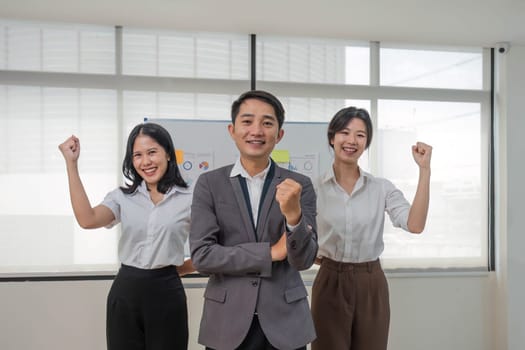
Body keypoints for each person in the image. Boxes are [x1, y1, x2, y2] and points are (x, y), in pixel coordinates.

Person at [189, 90, 318, 350]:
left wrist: (294, 218)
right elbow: (203, 256)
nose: (256, 131)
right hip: (226, 323)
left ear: (279, 134)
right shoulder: (209, 183)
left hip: (285, 323)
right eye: (247, 121)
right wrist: (270, 253)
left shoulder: (299, 185)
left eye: (267, 123)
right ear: (232, 129)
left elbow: (303, 260)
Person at [58, 122, 194, 350]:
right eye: (137, 155)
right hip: (126, 292)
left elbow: (210, 246)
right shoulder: (122, 197)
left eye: (152, 152)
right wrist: (71, 164)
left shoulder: (190, 196)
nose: (146, 161)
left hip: (167, 292)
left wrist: (178, 269)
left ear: (168, 154)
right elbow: (87, 219)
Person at [311, 106, 432, 350]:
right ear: (332, 137)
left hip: (371, 281)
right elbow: (295, 233)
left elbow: (415, 224)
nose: (351, 141)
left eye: (360, 135)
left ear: (366, 143)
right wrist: (314, 254)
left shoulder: (381, 188)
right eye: (345, 132)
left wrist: (424, 170)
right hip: (329, 280)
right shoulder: (313, 188)